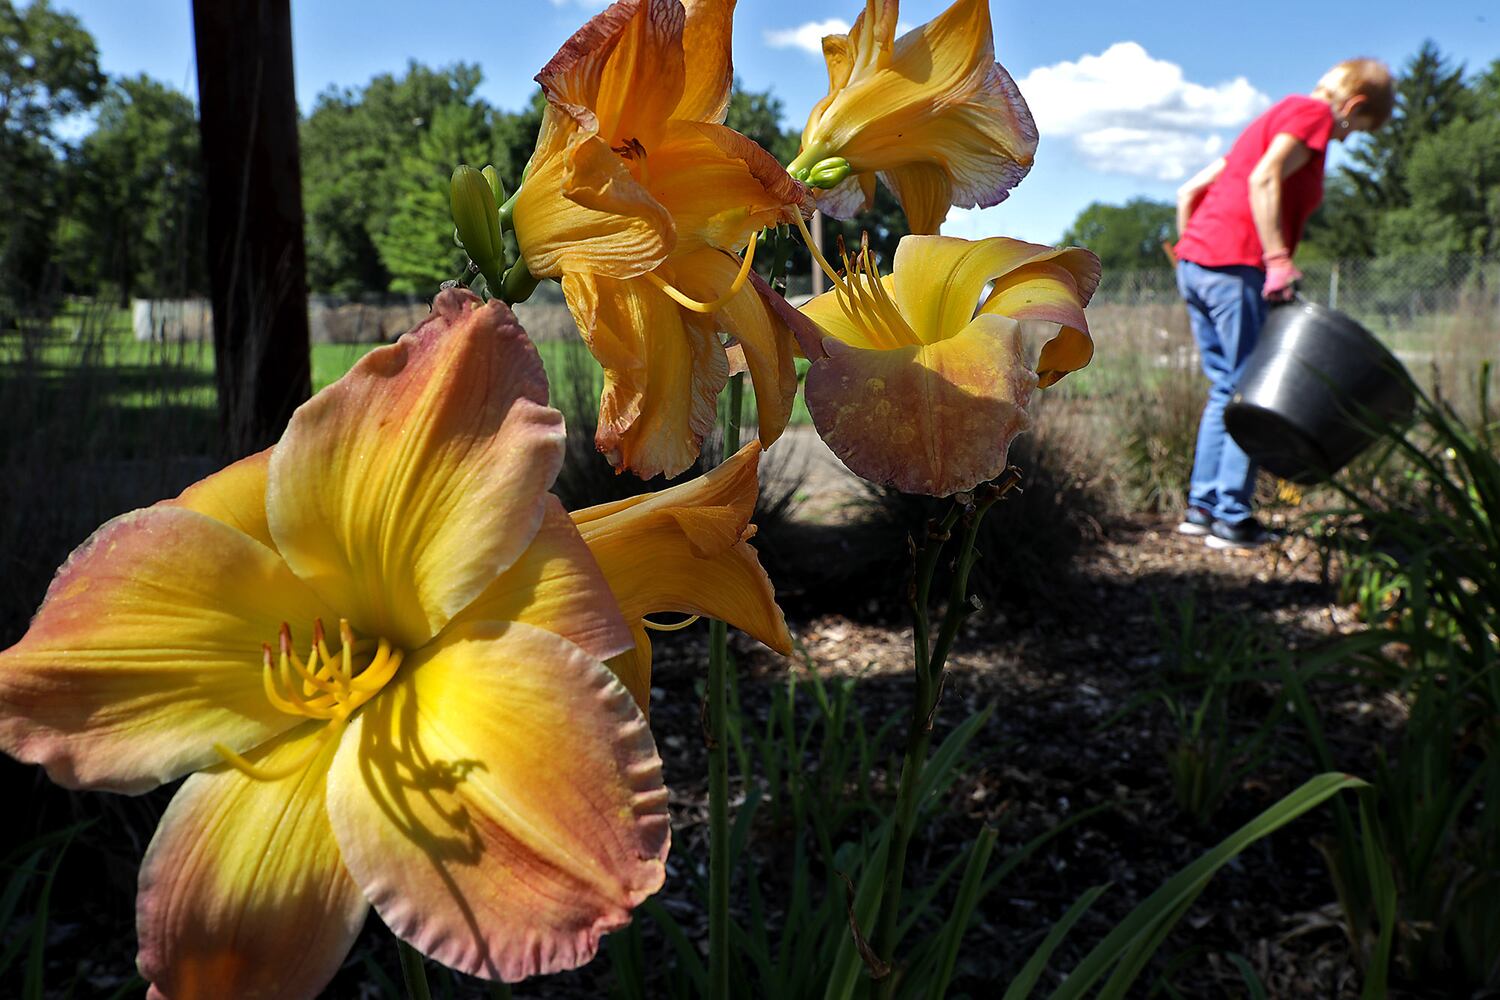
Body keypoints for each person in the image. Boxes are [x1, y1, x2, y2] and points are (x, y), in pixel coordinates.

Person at [1172, 59, 1394, 549]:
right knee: (1251, 390)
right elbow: (1264, 179)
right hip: (1236, 268)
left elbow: (1190, 191)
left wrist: (1192, 251)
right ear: (1354, 106)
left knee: (1224, 387)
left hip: (1199, 265)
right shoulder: (1312, 115)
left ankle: (1202, 508)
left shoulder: (1269, 120)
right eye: (1357, 129)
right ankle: (1232, 517)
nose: (1345, 140)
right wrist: (1275, 259)